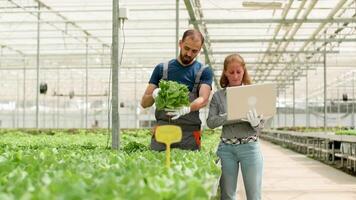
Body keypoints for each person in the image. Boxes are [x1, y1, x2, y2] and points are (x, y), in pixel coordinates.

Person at [140, 29, 213, 151]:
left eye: (194, 51)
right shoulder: (161, 69)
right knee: (158, 167)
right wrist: (154, 94)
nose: (189, 54)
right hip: (163, 132)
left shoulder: (204, 71)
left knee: (190, 168)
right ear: (180, 43)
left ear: (200, 50)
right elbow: (144, 103)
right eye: (186, 48)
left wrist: (188, 108)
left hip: (190, 134)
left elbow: (204, 99)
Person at [206, 54, 265, 200]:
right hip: (226, 149)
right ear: (225, 72)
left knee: (254, 195)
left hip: (250, 147)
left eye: (238, 72)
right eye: (231, 72)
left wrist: (256, 123)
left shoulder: (253, 93)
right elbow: (211, 122)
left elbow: (261, 126)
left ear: (244, 71)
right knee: (227, 195)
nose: (235, 76)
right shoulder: (218, 96)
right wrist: (230, 116)